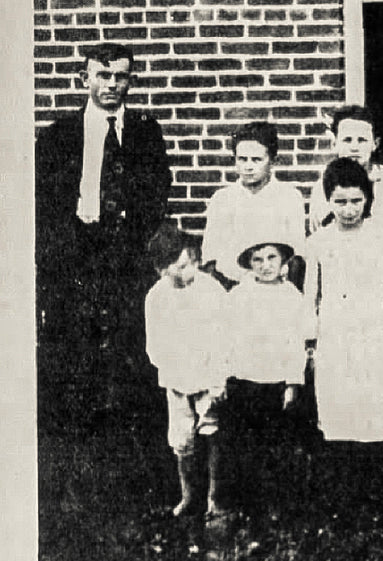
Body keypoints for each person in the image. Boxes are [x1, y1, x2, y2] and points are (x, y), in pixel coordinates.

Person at [36, 41, 172, 431]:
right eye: (103, 75)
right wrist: (61, 250)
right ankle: (77, 431)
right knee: (77, 339)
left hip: (128, 252)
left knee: (130, 339)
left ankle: (129, 430)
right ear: (85, 79)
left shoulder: (146, 132)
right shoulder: (59, 135)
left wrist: (137, 238)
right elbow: (43, 199)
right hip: (79, 250)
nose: (112, 84)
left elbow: (158, 188)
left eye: (121, 77)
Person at [303, 158, 383, 447]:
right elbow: (311, 296)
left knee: (376, 414)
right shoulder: (318, 243)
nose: (349, 209)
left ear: (367, 199)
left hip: (376, 338)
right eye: (340, 201)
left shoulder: (381, 240)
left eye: (356, 201)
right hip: (335, 339)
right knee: (340, 415)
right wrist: (311, 342)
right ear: (328, 200)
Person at [221, 239, 311, 516]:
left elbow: (297, 342)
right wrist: (224, 376)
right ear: (249, 264)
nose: (266, 265)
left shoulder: (292, 296)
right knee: (246, 445)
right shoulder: (238, 295)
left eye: (272, 258)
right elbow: (226, 338)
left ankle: (276, 505)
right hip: (246, 379)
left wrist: (293, 382)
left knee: (276, 444)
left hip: (277, 381)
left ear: (283, 261)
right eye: (258, 260)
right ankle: (247, 506)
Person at [142, 223, 227, 517]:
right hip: (177, 379)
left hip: (209, 375)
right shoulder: (157, 297)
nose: (189, 270)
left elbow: (222, 337)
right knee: (182, 439)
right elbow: (155, 345)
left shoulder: (211, 290)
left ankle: (215, 499)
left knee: (213, 432)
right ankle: (189, 495)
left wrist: (217, 378)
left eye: (192, 262)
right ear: (162, 270)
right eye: (179, 266)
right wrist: (173, 367)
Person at [202, 121, 307, 287]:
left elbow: (297, 252)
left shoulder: (289, 197)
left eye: (256, 160)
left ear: (273, 161)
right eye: (242, 159)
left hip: (277, 285)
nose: (248, 167)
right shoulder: (222, 199)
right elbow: (210, 255)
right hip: (231, 286)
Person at [306, 105, 383, 242]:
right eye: (347, 140)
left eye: (362, 140)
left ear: (375, 143)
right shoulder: (322, 188)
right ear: (335, 144)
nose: (354, 148)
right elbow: (318, 235)